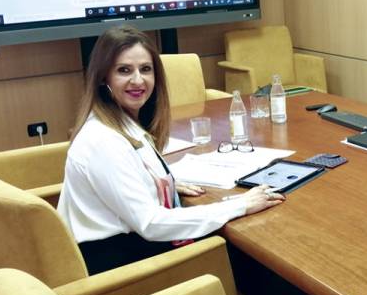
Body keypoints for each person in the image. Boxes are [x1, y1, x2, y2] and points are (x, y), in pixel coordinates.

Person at [57, 25, 284, 274]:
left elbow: (127, 183)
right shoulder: (102, 141)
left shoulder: (123, 124)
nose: (138, 80)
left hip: (134, 247)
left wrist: (163, 184)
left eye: (145, 69)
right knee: (263, 261)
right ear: (103, 78)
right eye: (124, 70)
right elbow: (151, 224)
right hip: (125, 269)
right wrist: (240, 205)